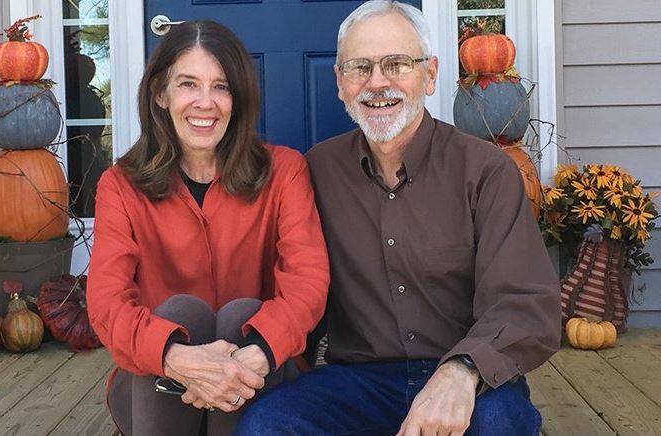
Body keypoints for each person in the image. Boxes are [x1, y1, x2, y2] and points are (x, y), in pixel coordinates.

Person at [235, 2, 561, 435]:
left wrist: (462, 371)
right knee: (266, 425)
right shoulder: (316, 172)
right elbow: (290, 281)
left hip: (470, 376)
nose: (377, 83)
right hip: (357, 381)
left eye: (397, 64)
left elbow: (525, 301)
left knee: (500, 423)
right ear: (339, 82)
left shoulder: (485, 171)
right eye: (359, 68)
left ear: (429, 74)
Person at [86, 20, 329, 436]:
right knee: (181, 313)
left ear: (238, 98)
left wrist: (254, 355)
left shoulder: (284, 171)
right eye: (188, 84)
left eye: (221, 86)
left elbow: (308, 284)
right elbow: (106, 303)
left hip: (259, 374)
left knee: (243, 314)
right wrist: (172, 356)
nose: (205, 102)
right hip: (156, 387)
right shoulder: (121, 184)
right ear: (160, 93)